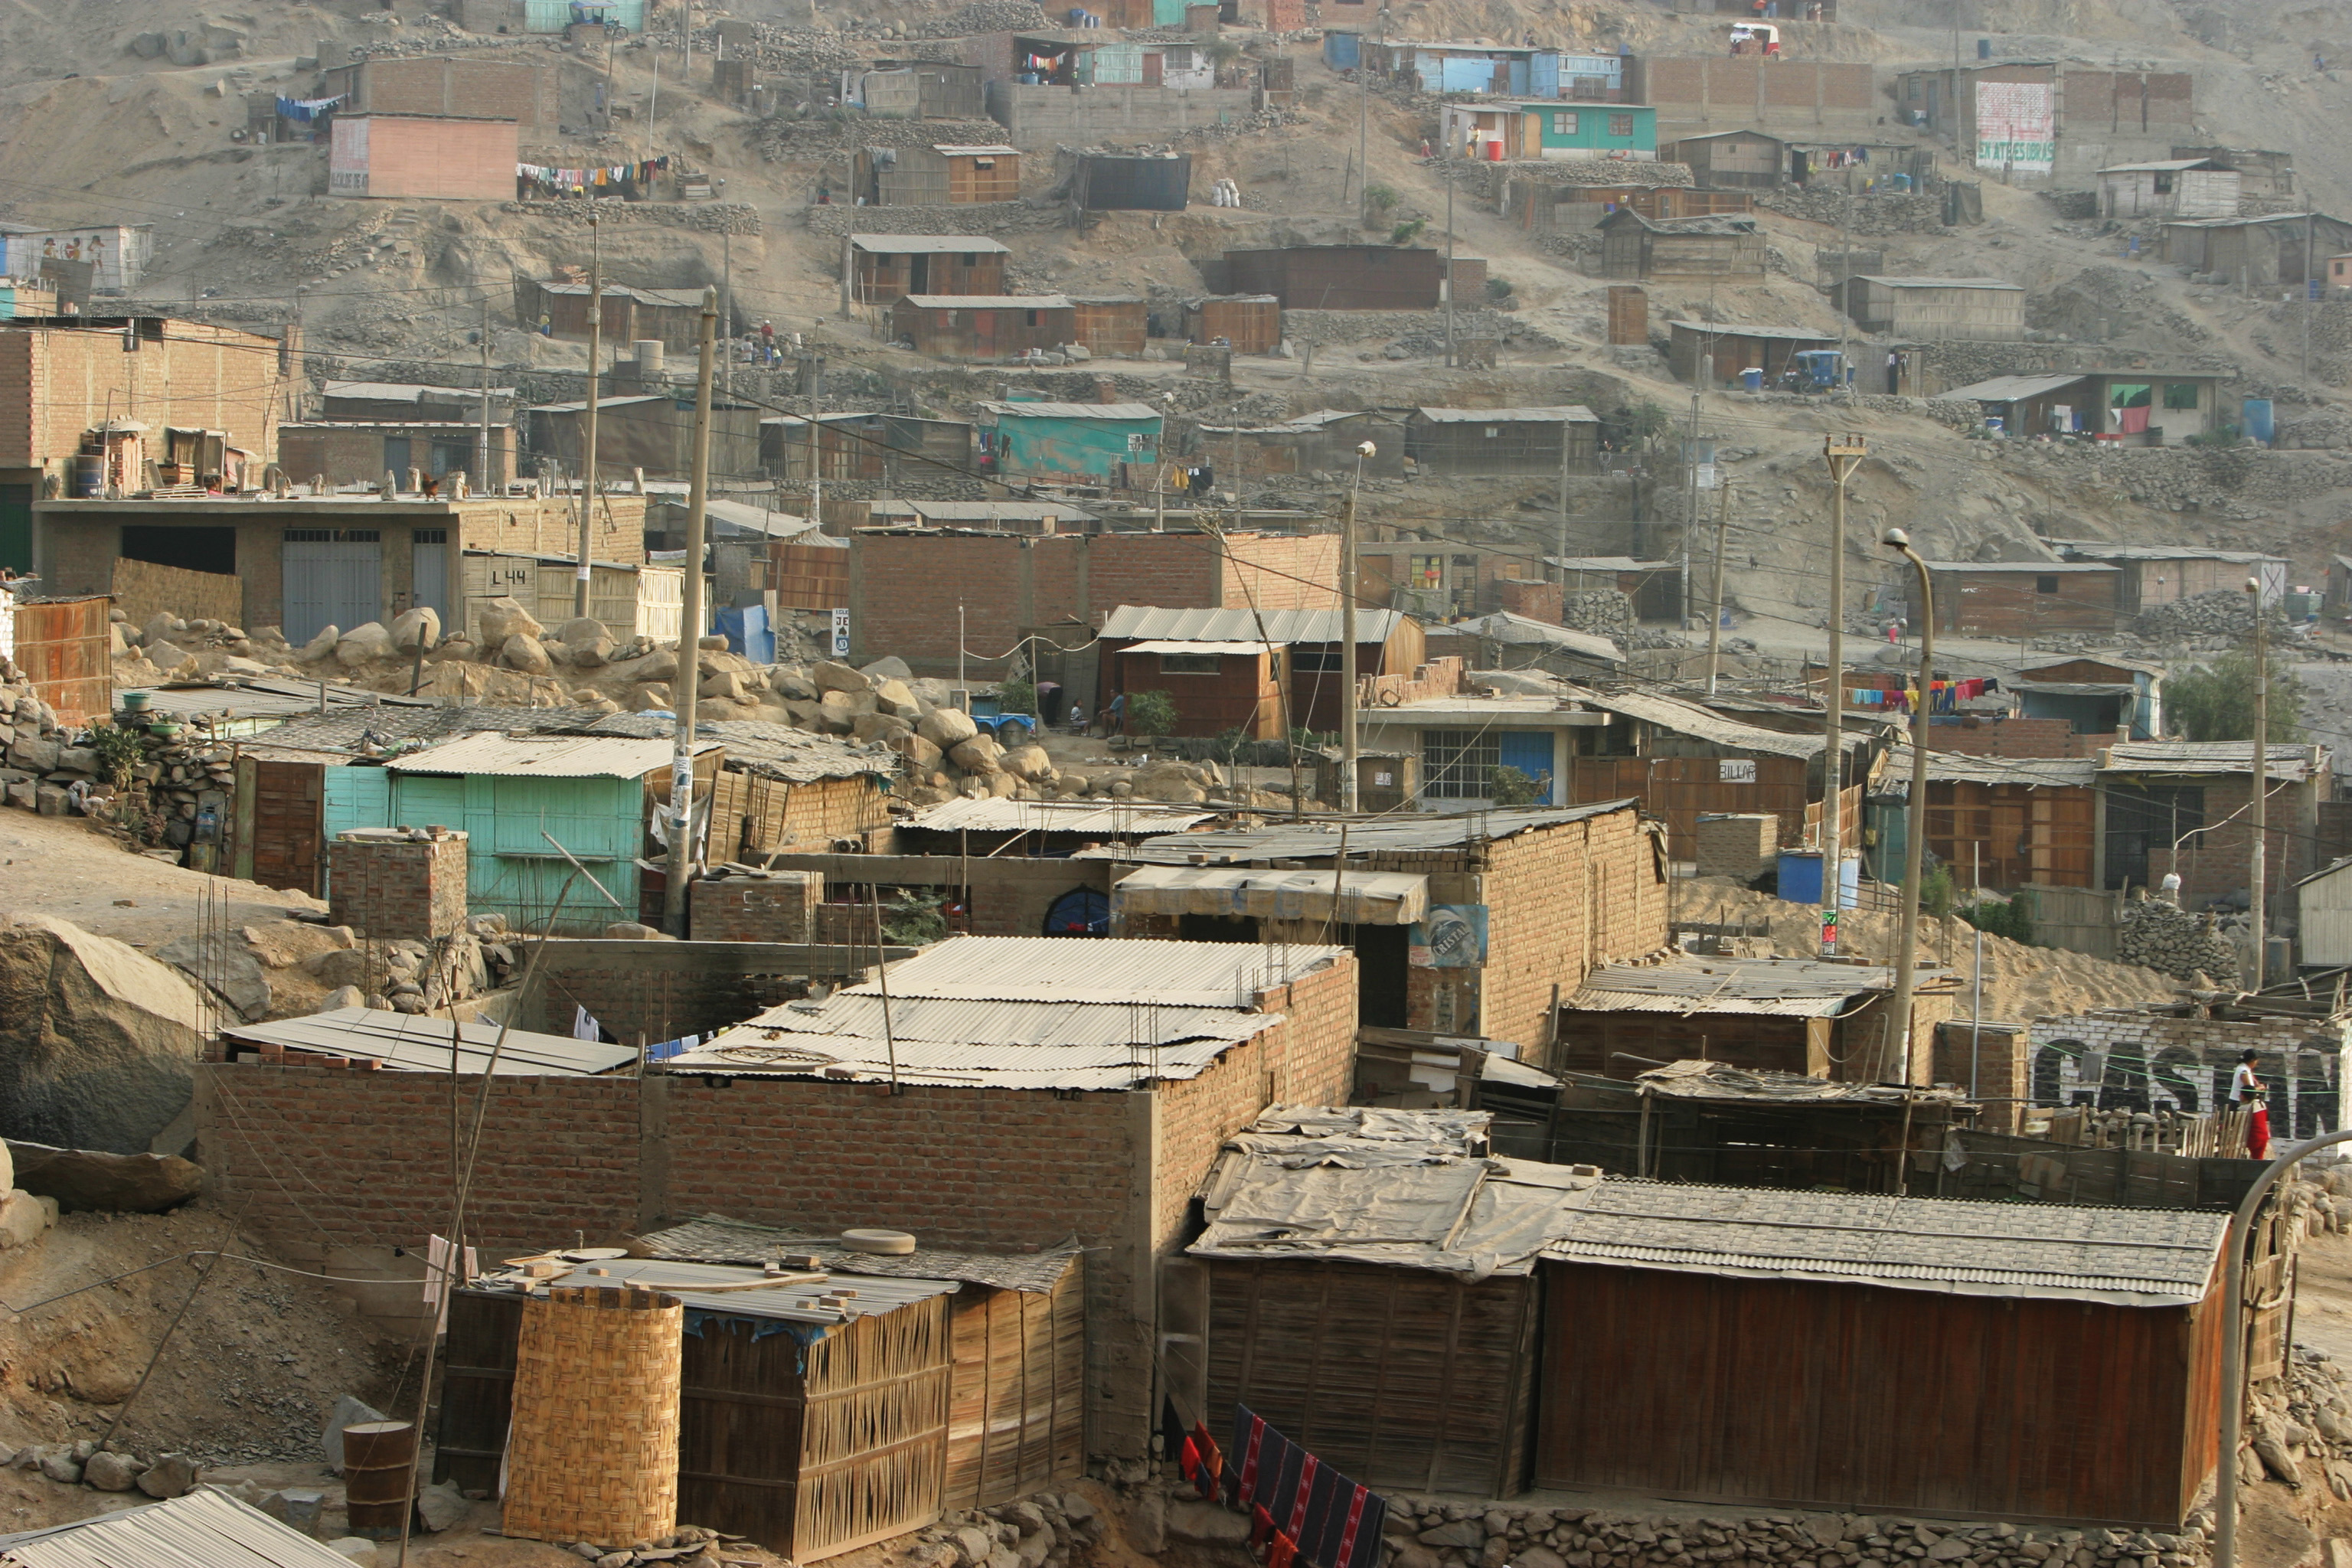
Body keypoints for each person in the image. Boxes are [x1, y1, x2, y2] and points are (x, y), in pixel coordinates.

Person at [2232, 1049, 2272, 1159]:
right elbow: (2249, 1089)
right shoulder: (2243, 1071)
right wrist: (2259, 1088)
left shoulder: (2245, 1069)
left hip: (2254, 1139)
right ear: (2253, 1060)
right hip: (2263, 1137)